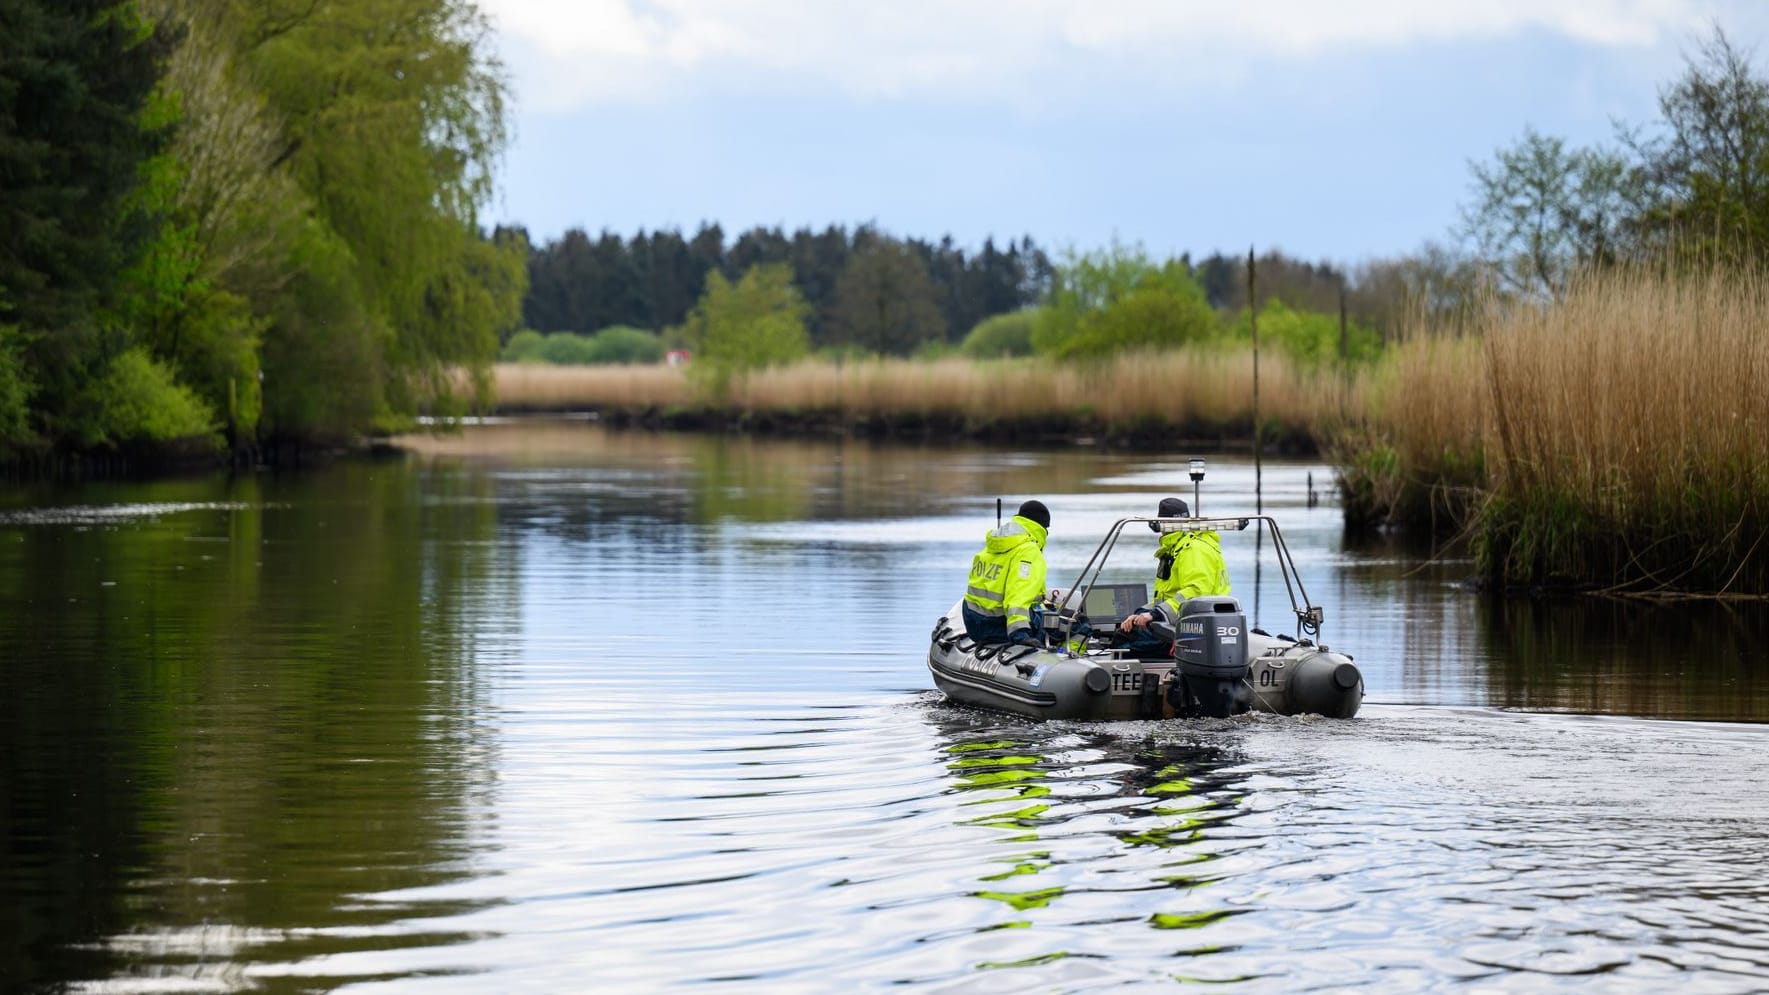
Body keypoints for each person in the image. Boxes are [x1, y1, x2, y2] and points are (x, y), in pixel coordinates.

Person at [1117, 497, 1230, 656]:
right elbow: (1168, 598)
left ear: (1164, 524)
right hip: (1180, 624)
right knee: (1125, 631)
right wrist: (1141, 613)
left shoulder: (1193, 550)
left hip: (1192, 630)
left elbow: (1196, 592)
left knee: (1122, 643)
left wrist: (1154, 615)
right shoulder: (1179, 548)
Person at [962, 500, 1050, 647]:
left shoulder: (994, 544)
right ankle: (1069, 660)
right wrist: (1020, 634)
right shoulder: (1028, 551)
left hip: (974, 626)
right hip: (1000, 627)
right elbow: (1018, 595)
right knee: (1077, 625)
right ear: (1042, 527)